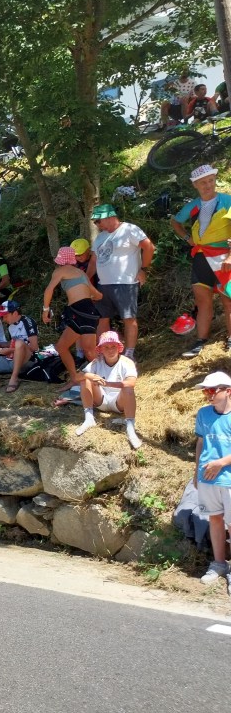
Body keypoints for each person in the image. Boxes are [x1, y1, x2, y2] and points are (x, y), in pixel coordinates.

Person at [172, 164, 231, 358]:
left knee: (228, 300)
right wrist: (187, 238)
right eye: (203, 183)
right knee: (202, 299)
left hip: (223, 255)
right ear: (195, 185)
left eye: (210, 181)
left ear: (215, 180)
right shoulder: (194, 205)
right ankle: (200, 341)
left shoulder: (227, 201)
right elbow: (175, 221)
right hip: (200, 256)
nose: (208, 185)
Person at [90, 203, 154, 361]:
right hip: (102, 284)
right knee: (102, 318)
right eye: (95, 222)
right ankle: (104, 351)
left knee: (128, 317)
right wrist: (86, 282)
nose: (97, 225)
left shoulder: (129, 229)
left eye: (99, 221)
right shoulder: (100, 237)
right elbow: (93, 262)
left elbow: (149, 247)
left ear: (110, 216)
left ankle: (129, 353)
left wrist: (143, 269)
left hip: (126, 282)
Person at [190, 371, 231, 588]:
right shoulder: (203, 414)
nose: (208, 394)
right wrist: (197, 471)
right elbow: (200, 443)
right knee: (215, 519)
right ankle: (218, 563)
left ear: (228, 391)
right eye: (206, 390)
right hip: (207, 478)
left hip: (228, 478)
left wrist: (221, 463)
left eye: (212, 390)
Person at [42, 245, 103, 385]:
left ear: (60, 260)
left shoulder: (60, 271)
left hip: (78, 310)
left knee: (67, 348)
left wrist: (46, 310)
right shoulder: (81, 273)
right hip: (90, 311)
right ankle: (99, 378)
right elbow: (97, 295)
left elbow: (48, 290)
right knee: (86, 350)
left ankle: (83, 378)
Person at [72, 331, 142, 449]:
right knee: (86, 379)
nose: (110, 350)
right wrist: (90, 376)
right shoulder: (96, 362)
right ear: (101, 349)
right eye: (106, 347)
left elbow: (131, 382)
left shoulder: (126, 362)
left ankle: (130, 427)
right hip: (101, 400)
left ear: (119, 348)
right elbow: (76, 377)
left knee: (128, 388)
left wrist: (108, 383)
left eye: (113, 346)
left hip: (118, 402)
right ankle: (89, 418)